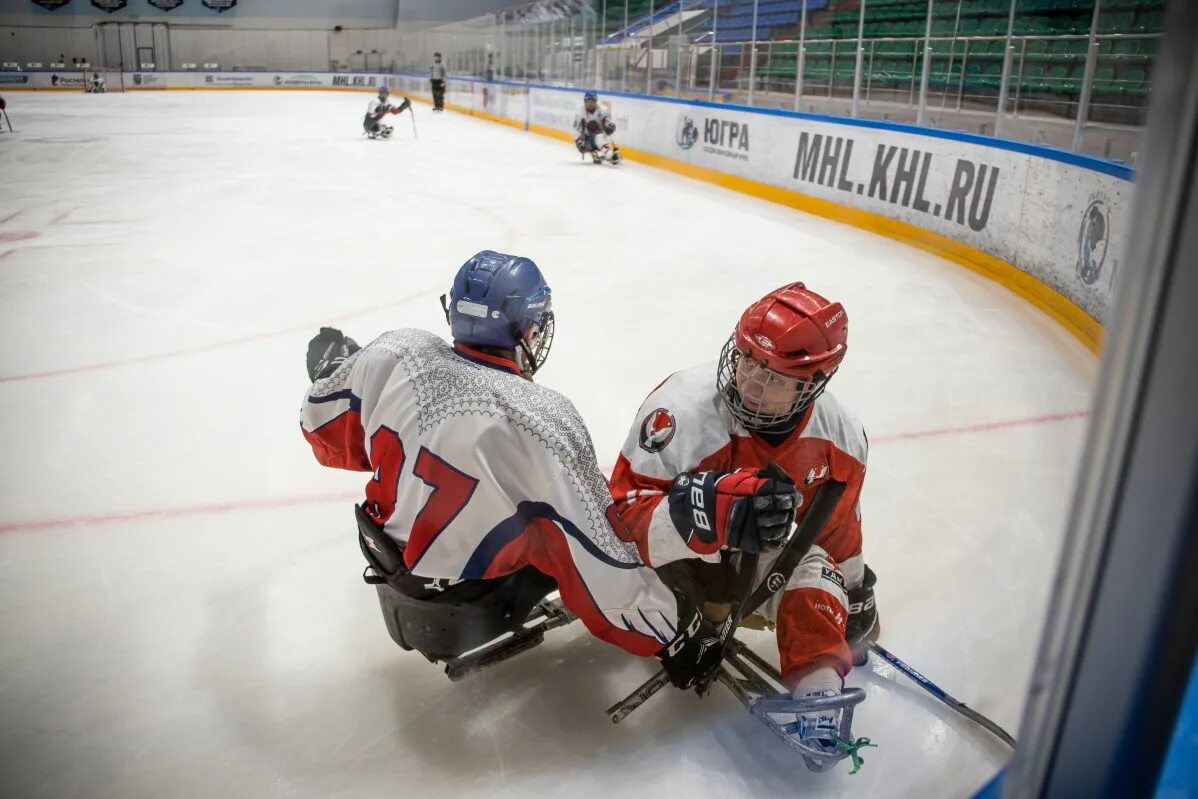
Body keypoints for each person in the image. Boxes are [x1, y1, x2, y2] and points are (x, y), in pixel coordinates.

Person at [299, 251, 798, 690]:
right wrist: (672, 639)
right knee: (570, 523)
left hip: (390, 572)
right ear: (528, 329)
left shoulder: (395, 351)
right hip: (469, 603)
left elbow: (320, 427)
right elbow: (602, 561)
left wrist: (340, 367)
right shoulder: (543, 420)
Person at [609, 282, 879, 756]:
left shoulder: (840, 440)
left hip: (748, 571)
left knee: (815, 567)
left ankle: (818, 697)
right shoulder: (680, 410)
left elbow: (836, 532)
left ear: (814, 382)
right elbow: (619, 523)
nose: (750, 380)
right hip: (673, 572)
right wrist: (707, 516)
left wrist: (852, 594)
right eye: (747, 359)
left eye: (774, 377)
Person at [574, 91, 621, 165]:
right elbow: (576, 129)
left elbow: (608, 122)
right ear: (584, 101)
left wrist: (610, 126)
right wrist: (579, 142)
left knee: (599, 136)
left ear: (596, 101)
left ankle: (606, 153)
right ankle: (608, 154)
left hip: (601, 136)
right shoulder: (580, 114)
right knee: (597, 137)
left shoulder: (603, 110)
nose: (590, 103)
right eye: (588, 101)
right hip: (587, 141)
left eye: (592, 101)